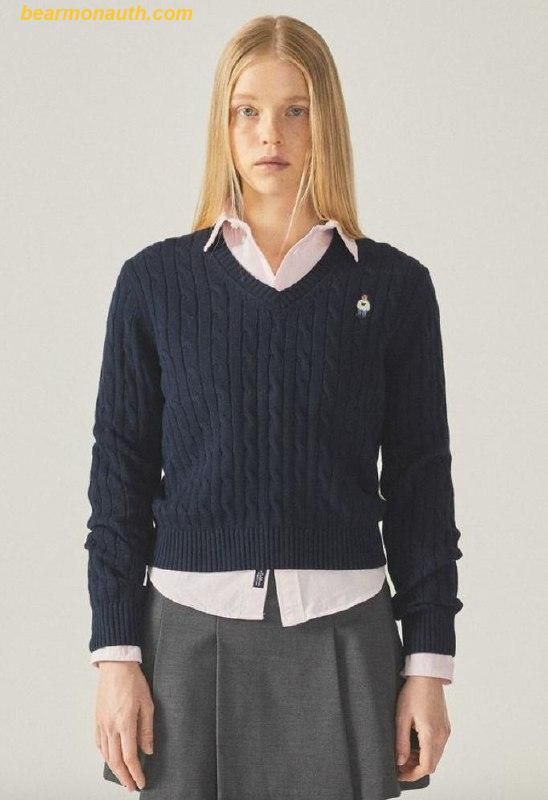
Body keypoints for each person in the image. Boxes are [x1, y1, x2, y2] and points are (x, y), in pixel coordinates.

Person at [84, 14, 463, 799]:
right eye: (247, 110)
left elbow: (422, 483)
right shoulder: (154, 285)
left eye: (296, 110)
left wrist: (428, 664)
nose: (270, 134)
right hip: (185, 637)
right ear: (222, 125)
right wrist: (116, 655)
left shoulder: (394, 288)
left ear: (328, 122)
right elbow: (119, 478)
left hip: (348, 633)